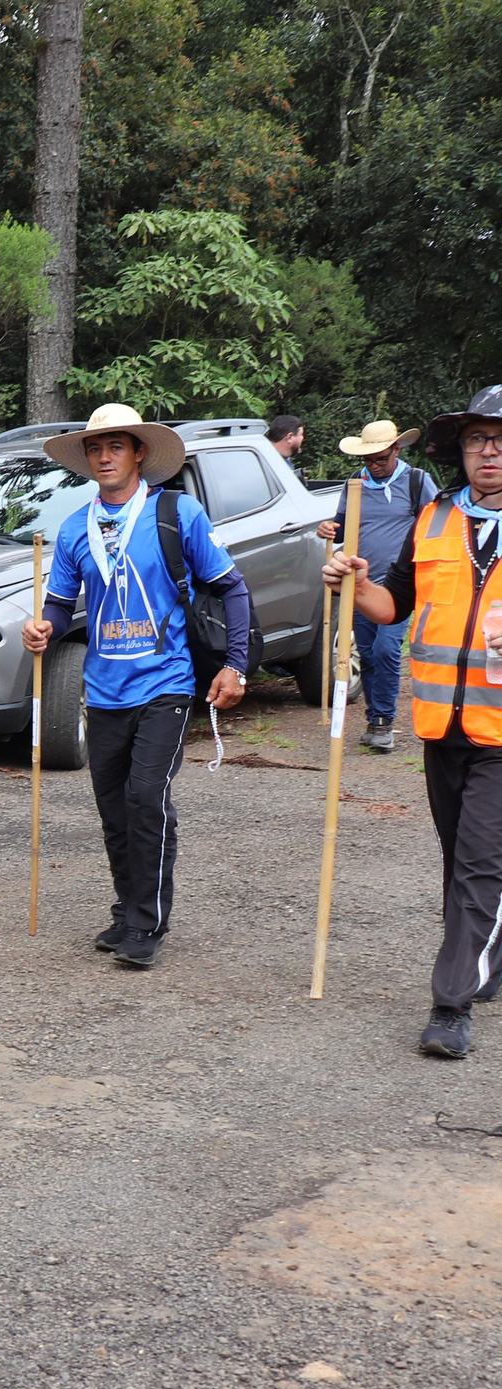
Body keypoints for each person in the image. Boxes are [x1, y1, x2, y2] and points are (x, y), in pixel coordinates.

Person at [22, 403, 253, 969]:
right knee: (114, 809)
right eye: (96, 449)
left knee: (146, 798)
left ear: (139, 453)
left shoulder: (177, 514)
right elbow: (58, 603)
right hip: (102, 691)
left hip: (166, 685)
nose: (105, 457)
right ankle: (128, 908)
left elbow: (234, 589)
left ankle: (147, 924)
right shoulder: (75, 527)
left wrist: (236, 664)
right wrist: (41, 632)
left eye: (116, 447)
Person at [324, 385, 502, 1058]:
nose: (489, 451)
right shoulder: (433, 518)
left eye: (501, 441)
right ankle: (488, 950)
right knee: (462, 858)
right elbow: (388, 605)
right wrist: (351, 578)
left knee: (479, 865)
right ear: (460, 449)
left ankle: (450, 1005)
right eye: (479, 439)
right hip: (440, 727)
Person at [317, 420, 440, 753]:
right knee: (368, 653)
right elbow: (343, 526)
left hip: (399, 586)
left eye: (381, 458)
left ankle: (384, 722)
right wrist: (330, 528)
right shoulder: (356, 483)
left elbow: (436, 523)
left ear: (396, 450)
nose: (374, 465)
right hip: (360, 584)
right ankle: (376, 719)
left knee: (387, 649)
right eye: (369, 459)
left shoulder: (417, 481)